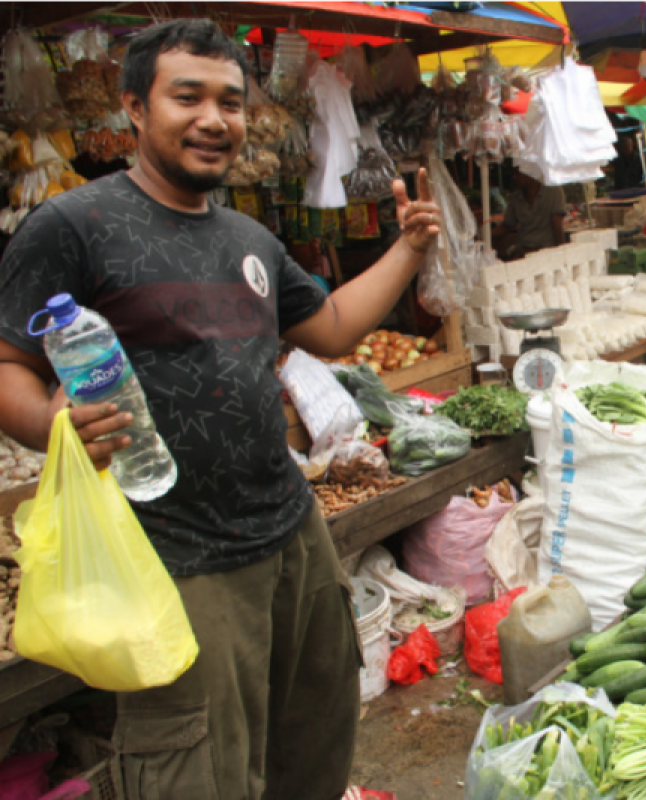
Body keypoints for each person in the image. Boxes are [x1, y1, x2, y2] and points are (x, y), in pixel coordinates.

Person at [0, 20, 442, 799]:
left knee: (314, 734)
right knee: (198, 766)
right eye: (188, 97)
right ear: (135, 108)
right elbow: (9, 363)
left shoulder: (249, 236)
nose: (215, 119)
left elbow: (332, 328)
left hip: (289, 529)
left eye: (231, 102)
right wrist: (52, 424)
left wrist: (407, 250)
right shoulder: (73, 226)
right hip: (177, 556)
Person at [492, 170, 566, 259]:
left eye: (518, 174)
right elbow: (507, 226)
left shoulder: (553, 191)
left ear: (530, 174)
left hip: (547, 251)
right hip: (523, 251)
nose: (514, 177)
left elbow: (557, 226)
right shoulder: (516, 197)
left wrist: (562, 254)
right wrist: (486, 235)